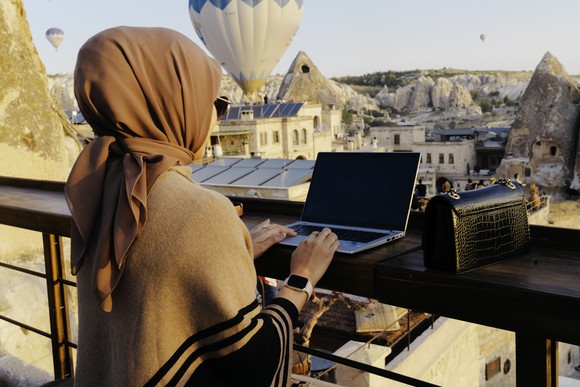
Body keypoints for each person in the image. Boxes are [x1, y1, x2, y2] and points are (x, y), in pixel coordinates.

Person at [65, 26, 339, 386]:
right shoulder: (200, 211)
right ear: (173, 101)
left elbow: (156, 282)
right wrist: (301, 280)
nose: (217, 116)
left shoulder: (96, 189)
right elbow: (254, 360)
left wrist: (232, 252)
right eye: (214, 102)